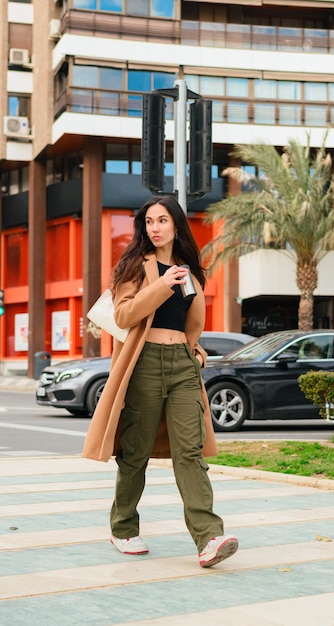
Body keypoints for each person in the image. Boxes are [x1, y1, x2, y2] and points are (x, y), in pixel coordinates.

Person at [82, 195, 238, 568]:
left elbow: (189, 325)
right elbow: (123, 315)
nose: (154, 228)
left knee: (190, 450)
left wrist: (195, 349)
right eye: (149, 222)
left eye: (162, 221)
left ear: (176, 225)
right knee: (135, 452)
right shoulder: (135, 266)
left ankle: (208, 538)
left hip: (182, 365)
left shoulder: (190, 270)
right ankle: (122, 528)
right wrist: (163, 284)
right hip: (145, 363)